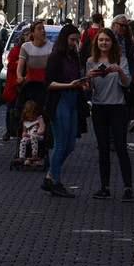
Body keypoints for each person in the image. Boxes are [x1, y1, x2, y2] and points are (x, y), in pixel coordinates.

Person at [87, 27, 134, 200]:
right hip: (99, 108)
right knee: (103, 149)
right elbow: (89, 89)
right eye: (101, 40)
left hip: (118, 107)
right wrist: (89, 77)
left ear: (112, 42)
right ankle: (104, 186)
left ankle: (128, 187)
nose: (104, 43)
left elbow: (127, 83)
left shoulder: (121, 60)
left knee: (121, 147)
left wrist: (120, 71)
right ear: (96, 43)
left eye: (107, 40)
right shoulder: (91, 61)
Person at [43, 24, 87, 197]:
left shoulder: (73, 56)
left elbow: (75, 76)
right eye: (72, 40)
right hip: (60, 99)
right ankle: (55, 182)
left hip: (72, 99)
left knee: (70, 145)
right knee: (61, 144)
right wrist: (69, 85)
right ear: (65, 39)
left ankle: (50, 177)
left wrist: (81, 84)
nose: (75, 43)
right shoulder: (55, 56)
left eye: (76, 40)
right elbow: (48, 83)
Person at [17, 22, 53, 157]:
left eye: (43, 29)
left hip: (45, 85)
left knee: (44, 111)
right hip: (30, 85)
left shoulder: (50, 47)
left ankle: (42, 146)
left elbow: (52, 67)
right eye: (39, 29)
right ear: (32, 33)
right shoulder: (26, 47)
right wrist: (19, 76)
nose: (42, 31)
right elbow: (20, 66)